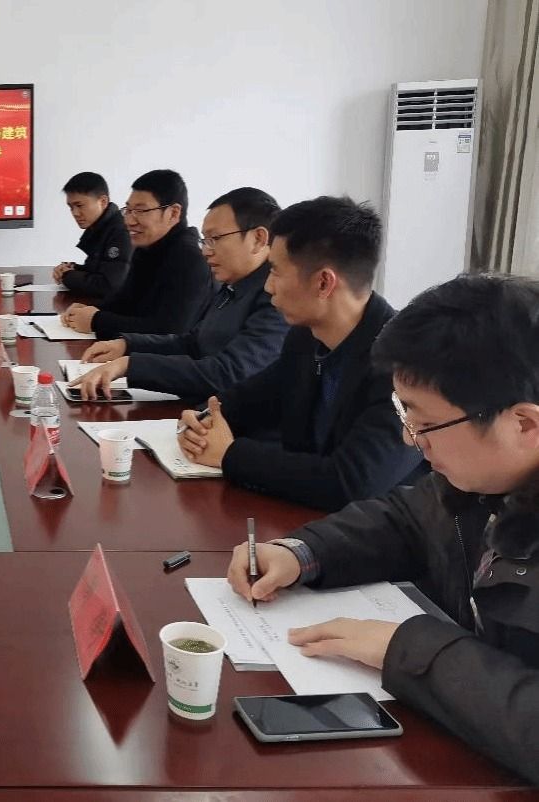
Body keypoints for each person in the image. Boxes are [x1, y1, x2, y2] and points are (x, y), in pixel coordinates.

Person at [226, 275, 539, 783]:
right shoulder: (481, 481)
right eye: (403, 412)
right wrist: (303, 552)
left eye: (424, 423)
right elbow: (406, 518)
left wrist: (406, 649)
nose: (410, 440)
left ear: (524, 425)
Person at [177, 196, 424, 511]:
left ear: (323, 283)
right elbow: (246, 400)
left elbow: (351, 482)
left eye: (276, 272)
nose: (268, 286)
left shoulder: (407, 364)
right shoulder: (305, 339)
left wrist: (229, 454)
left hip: (382, 532)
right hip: (303, 520)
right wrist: (202, 421)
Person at [71, 187, 288, 403]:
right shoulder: (234, 284)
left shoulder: (277, 298)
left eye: (215, 238)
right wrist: (127, 345)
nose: (206, 251)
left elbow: (227, 374)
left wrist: (131, 366)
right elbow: (193, 343)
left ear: (258, 238)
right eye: (205, 240)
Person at [62, 169, 214, 339]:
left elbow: (169, 332)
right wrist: (92, 310)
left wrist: (96, 320)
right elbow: (125, 300)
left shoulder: (190, 259)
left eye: (141, 211)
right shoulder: (147, 247)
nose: (129, 221)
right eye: (128, 210)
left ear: (173, 213)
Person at [51, 172, 132, 299]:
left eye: (79, 205)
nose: (75, 213)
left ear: (103, 202)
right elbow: (99, 270)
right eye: (71, 207)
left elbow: (109, 286)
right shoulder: (100, 228)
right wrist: (71, 268)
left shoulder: (121, 232)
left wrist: (67, 276)